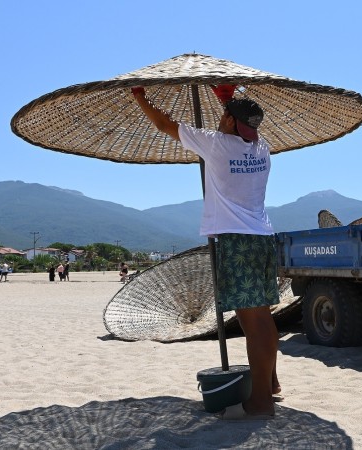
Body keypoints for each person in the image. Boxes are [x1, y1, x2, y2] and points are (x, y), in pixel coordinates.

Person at [132, 86, 280, 420]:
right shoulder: (262, 147)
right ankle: (269, 382)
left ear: (227, 120)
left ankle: (261, 401)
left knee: (254, 321)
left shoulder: (216, 144)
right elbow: (236, 123)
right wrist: (227, 100)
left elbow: (165, 126)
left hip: (236, 240)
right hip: (262, 237)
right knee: (257, 317)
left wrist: (141, 97)